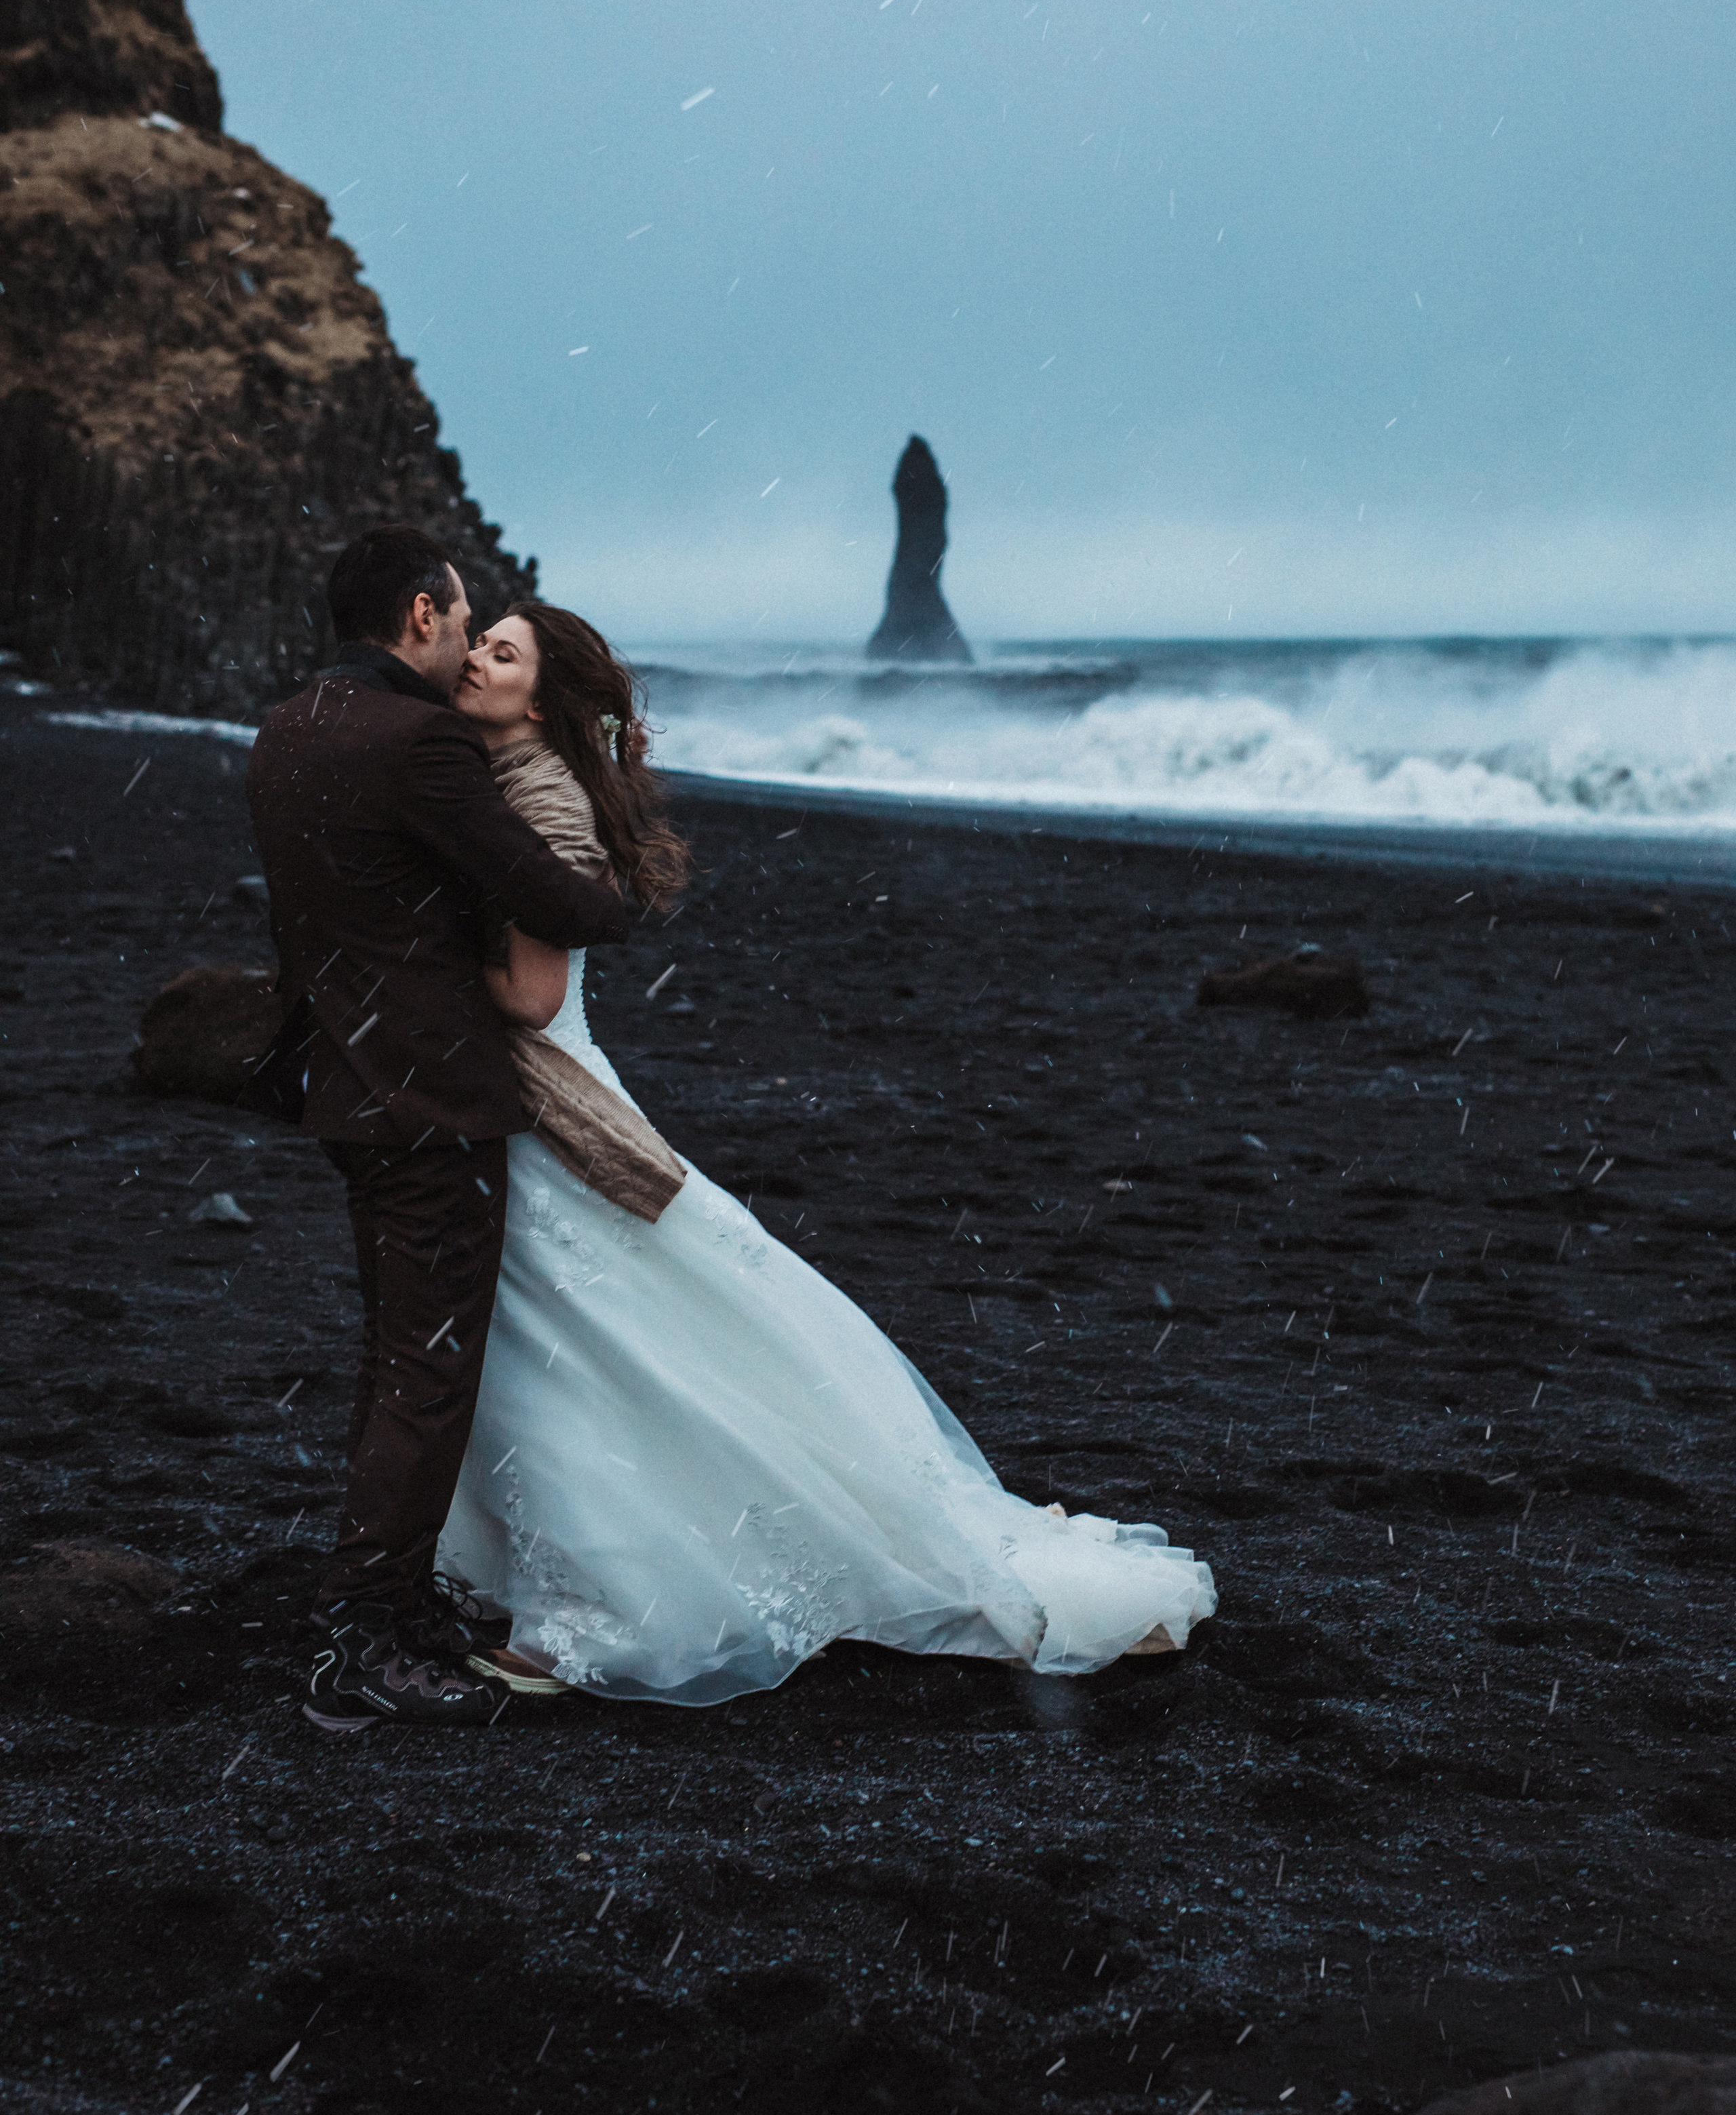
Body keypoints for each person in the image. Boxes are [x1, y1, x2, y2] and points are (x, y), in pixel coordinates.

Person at [437, 601, 1217, 1705]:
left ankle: (606, 1608)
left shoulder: (544, 800)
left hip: (548, 1102)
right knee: (585, 1332)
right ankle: (564, 1572)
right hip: (527, 1099)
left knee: (578, 1335)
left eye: (501, 652)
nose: (474, 658)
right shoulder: (500, 782)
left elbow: (532, 991)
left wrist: (407, 959)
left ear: (547, 699)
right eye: (479, 641)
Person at [245, 527, 631, 1731]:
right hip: (432, 1097)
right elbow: (557, 901)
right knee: (428, 1374)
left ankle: (395, 1608)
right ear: (421, 613)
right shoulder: (419, 745)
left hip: (348, 1087)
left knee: (395, 1357)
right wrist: (618, 864)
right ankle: (362, 1636)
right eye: (463, 620)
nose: (467, 643)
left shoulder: (289, 725)